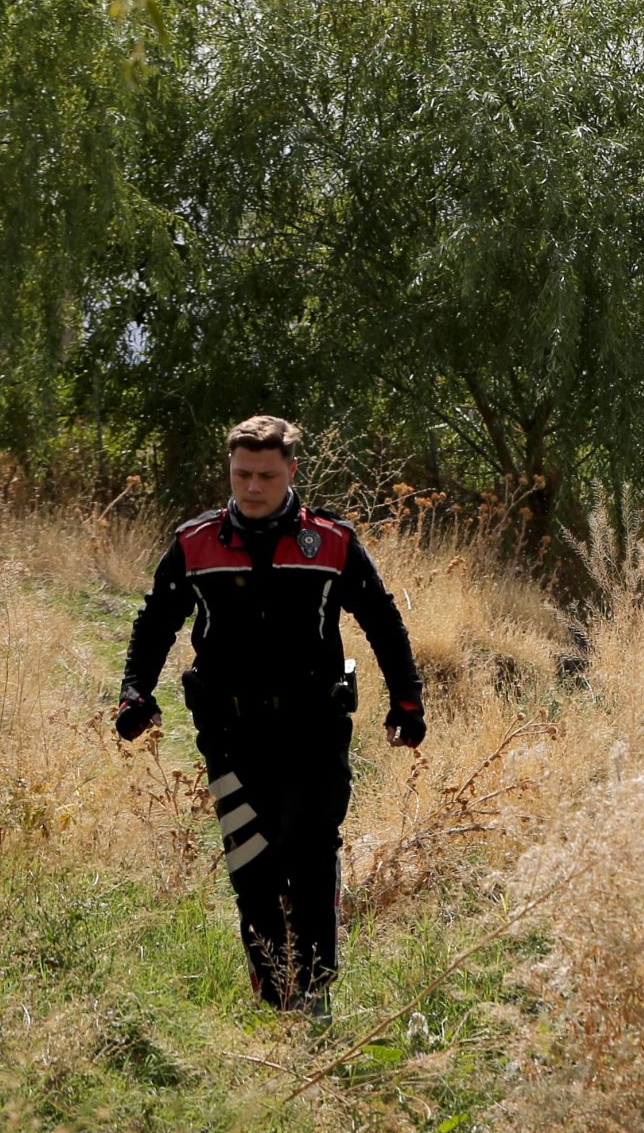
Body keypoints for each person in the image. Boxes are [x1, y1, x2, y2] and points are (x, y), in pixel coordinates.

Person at [112, 416, 426, 1015]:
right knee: (252, 866)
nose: (252, 487)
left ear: (291, 472)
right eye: (241, 474)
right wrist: (135, 691)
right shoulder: (193, 544)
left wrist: (406, 699)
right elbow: (155, 623)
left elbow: (382, 620)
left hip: (314, 725)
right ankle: (275, 994)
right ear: (229, 470)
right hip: (230, 731)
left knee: (308, 857)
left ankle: (313, 990)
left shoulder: (331, 542)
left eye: (266, 475)